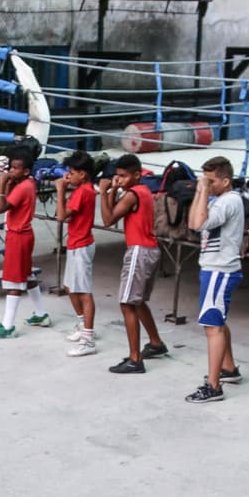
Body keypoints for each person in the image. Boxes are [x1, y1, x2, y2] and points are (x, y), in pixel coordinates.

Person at [99, 153, 168, 374]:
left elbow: (108, 219)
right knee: (136, 302)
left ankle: (134, 359)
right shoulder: (143, 191)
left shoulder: (131, 195)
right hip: (149, 249)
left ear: (137, 175)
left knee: (127, 303)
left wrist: (102, 193)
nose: (120, 180)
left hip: (139, 250)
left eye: (124, 176)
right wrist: (112, 192)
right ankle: (156, 343)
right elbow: (114, 212)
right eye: (117, 176)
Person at [185, 156, 245, 402]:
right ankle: (228, 368)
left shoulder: (227, 201)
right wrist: (203, 193)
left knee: (213, 326)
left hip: (220, 269)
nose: (206, 184)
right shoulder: (219, 200)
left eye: (211, 181)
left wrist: (202, 190)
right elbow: (192, 222)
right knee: (217, 320)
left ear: (225, 181)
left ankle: (214, 385)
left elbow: (199, 224)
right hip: (214, 267)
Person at [0, 147, 49, 338]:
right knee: (27, 275)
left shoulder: (22, 188)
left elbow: (0, 208)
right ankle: (41, 314)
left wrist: (2, 184)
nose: (11, 171)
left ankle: (7, 325)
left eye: (15, 168)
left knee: (13, 281)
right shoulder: (29, 183)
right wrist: (9, 183)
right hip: (25, 234)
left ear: (26, 171)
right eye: (10, 168)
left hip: (17, 236)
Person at [56, 151, 98, 357]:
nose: (69, 176)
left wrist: (60, 190)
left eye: (72, 172)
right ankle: (83, 325)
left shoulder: (83, 192)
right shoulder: (83, 189)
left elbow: (61, 216)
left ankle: (88, 339)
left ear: (82, 174)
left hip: (81, 245)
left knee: (83, 291)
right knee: (71, 287)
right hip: (75, 243)